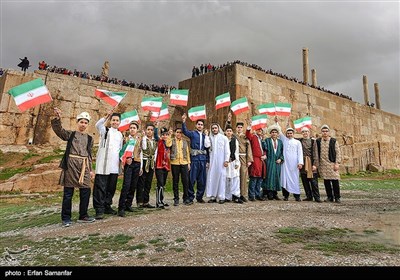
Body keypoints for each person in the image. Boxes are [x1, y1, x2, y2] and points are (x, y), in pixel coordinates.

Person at [51, 108, 95, 227]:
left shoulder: (90, 138)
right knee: (68, 192)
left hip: (84, 165)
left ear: (87, 124)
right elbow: (59, 131)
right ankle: (66, 218)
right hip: (71, 165)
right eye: (81, 122)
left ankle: (83, 215)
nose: (83, 124)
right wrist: (57, 118)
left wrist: (91, 170)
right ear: (77, 122)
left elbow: (90, 154)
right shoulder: (70, 134)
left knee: (86, 190)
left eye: (85, 122)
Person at [93, 111, 123, 219]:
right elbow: (98, 125)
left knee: (111, 187)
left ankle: (107, 205)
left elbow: (120, 149)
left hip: (114, 165)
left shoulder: (120, 134)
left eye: (117, 120)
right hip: (103, 164)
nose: (115, 122)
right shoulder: (105, 130)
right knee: (101, 187)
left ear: (120, 122)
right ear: (110, 121)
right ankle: (99, 209)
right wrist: (105, 117)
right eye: (113, 120)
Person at [181, 114, 210, 204]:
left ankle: (199, 197)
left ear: (203, 126)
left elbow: (207, 149)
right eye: (198, 124)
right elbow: (185, 131)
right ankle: (190, 197)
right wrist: (183, 121)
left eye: (201, 125)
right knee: (192, 179)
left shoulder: (206, 136)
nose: (200, 126)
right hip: (194, 159)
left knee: (202, 180)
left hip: (203, 159)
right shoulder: (193, 134)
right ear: (196, 125)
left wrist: (207, 160)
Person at [225, 112, 253, 202]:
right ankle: (233, 194)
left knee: (243, 176)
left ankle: (243, 194)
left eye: (241, 127)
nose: (240, 128)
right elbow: (226, 130)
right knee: (234, 176)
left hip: (244, 158)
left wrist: (249, 159)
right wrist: (228, 120)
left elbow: (249, 148)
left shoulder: (245, 137)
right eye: (238, 127)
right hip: (234, 158)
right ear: (236, 128)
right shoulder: (233, 136)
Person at [117, 121, 142, 217]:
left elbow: (141, 153)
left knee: (133, 185)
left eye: (134, 128)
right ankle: (121, 207)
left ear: (137, 130)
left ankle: (128, 204)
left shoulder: (138, 140)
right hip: (128, 164)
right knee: (126, 185)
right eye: (131, 127)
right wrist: (124, 160)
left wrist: (141, 166)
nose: (132, 129)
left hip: (137, 163)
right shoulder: (126, 139)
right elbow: (121, 152)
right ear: (129, 129)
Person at [276, 119, 303, 201]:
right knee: (285, 180)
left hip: (294, 164)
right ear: (286, 134)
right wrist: (277, 122)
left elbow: (300, 153)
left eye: (291, 133)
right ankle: (286, 196)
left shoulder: (297, 142)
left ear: (293, 134)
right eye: (288, 133)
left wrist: (300, 163)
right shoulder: (284, 140)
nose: (289, 134)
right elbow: (279, 131)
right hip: (285, 164)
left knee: (295, 179)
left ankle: (297, 196)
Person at [316, 125, 342, 203]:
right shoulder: (318, 141)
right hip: (323, 164)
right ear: (321, 132)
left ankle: (337, 197)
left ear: (328, 132)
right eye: (323, 131)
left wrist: (337, 163)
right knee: (326, 181)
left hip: (332, 163)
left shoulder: (333, 141)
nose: (325, 133)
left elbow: (338, 152)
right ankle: (329, 197)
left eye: (326, 131)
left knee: (335, 180)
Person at [205, 123, 230, 204]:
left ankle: (221, 196)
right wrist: (206, 135)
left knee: (221, 178)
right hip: (212, 162)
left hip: (221, 161)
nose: (214, 129)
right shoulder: (210, 138)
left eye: (215, 128)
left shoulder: (224, 138)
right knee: (212, 178)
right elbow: (207, 145)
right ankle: (213, 196)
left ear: (218, 128)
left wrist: (226, 160)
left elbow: (227, 150)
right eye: (212, 128)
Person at [298, 127, 322, 202]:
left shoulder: (313, 141)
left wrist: (315, 164)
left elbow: (315, 153)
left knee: (313, 181)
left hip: (311, 162)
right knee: (305, 181)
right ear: (301, 133)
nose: (305, 133)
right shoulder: (300, 141)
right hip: (303, 163)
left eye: (306, 131)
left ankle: (317, 197)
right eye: (303, 132)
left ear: (309, 132)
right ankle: (309, 196)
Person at [137, 123, 157, 208]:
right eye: (148, 129)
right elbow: (142, 151)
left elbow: (155, 153)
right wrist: (141, 166)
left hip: (151, 163)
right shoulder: (143, 140)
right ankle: (139, 201)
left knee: (148, 183)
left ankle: (146, 201)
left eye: (151, 130)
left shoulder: (154, 141)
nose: (150, 131)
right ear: (145, 130)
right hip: (144, 162)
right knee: (141, 182)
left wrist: (154, 163)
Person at [263, 124, 284, 200]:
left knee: (276, 177)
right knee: (268, 177)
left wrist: (281, 159)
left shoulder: (280, 142)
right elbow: (264, 149)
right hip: (269, 161)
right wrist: (263, 140)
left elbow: (282, 152)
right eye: (272, 132)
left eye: (275, 132)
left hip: (277, 162)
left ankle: (275, 193)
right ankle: (268, 193)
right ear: (270, 133)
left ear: (278, 133)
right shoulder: (267, 140)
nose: (274, 133)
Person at [170, 127, 191, 206]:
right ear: (175, 133)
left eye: (180, 132)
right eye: (177, 132)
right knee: (175, 181)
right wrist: (170, 135)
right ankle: (176, 198)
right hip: (175, 163)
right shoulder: (172, 141)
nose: (179, 134)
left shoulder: (185, 142)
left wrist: (188, 163)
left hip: (184, 162)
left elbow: (187, 152)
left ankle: (186, 198)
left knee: (185, 181)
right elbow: (168, 144)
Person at [246, 125, 267, 201]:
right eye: (258, 130)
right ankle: (251, 195)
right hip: (255, 159)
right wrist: (249, 128)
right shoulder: (253, 136)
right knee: (254, 177)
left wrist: (264, 155)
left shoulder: (262, 139)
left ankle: (257, 194)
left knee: (260, 178)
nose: (260, 131)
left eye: (261, 130)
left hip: (261, 160)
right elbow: (248, 136)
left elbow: (264, 149)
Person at [154, 127, 173, 208]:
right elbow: (155, 135)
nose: (165, 136)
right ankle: (158, 202)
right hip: (159, 165)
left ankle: (161, 200)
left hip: (166, 166)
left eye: (166, 135)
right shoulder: (159, 141)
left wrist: (171, 135)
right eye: (163, 135)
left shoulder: (169, 143)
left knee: (163, 184)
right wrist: (156, 127)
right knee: (160, 184)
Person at [224, 125, 243, 203]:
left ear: (232, 132)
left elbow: (236, 152)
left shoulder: (235, 140)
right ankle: (227, 196)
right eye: (227, 131)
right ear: (225, 132)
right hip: (225, 163)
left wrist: (237, 162)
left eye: (230, 131)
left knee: (235, 178)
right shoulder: (223, 140)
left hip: (233, 161)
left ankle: (236, 195)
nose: (229, 132)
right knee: (226, 179)